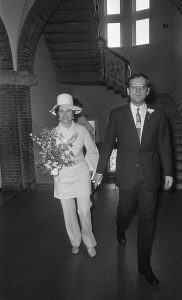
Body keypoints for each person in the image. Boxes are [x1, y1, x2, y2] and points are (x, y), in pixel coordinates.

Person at [93, 73, 173, 285]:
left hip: (150, 176)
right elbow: (108, 144)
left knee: (147, 222)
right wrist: (100, 170)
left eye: (142, 87)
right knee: (124, 212)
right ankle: (120, 229)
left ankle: (145, 267)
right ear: (128, 91)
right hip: (126, 175)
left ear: (148, 90)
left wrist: (169, 172)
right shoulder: (117, 114)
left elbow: (164, 145)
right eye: (134, 86)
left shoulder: (159, 115)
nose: (138, 90)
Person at [49, 93, 99, 257]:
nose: (65, 114)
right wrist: (52, 166)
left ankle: (89, 242)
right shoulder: (52, 134)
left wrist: (93, 172)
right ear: (57, 114)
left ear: (73, 113)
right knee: (69, 213)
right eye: (61, 111)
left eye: (68, 111)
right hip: (63, 178)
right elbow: (48, 158)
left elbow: (92, 151)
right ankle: (75, 242)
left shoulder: (82, 130)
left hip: (81, 175)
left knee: (84, 210)